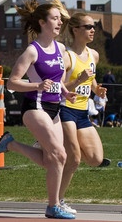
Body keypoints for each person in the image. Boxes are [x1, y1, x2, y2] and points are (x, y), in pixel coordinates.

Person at [0, 0, 77, 219]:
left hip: (54, 108)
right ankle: (53, 205)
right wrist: (38, 84)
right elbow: (12, 83)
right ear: (42, 22)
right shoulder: (32, 51)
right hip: (34, 108)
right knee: (60, 154)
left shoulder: (61, 49)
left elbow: (57, 81)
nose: (59, 23)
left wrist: (66, 91)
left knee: (51, 161)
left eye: (60, 19)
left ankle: (11, 144)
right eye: (55, 19)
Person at [58, 12, 111, 215]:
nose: (92, 30)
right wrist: (78, 80)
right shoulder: (67, 56)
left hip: (82, 113)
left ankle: (47, 144)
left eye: (93, 26)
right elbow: (59, 86)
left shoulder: (94, 55)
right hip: (65, 109)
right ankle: (58, 200)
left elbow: (91, 79)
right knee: (74, 159)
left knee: (96, 159)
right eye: (88, 26)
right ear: (75, 30)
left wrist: (97, 89)